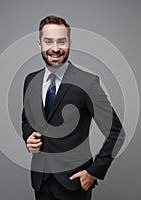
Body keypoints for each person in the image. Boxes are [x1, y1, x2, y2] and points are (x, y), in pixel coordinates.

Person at [22, 15, 125, 200]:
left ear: (69, 42)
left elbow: (116, 132)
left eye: (61, 41)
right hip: (40, 182)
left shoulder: (87, 83)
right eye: (48, 41)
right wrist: (28, 136)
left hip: (74, 184)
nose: (55, 48)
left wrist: (93, 173)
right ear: (39, 44)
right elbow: (27, 119)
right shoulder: (31, 80)